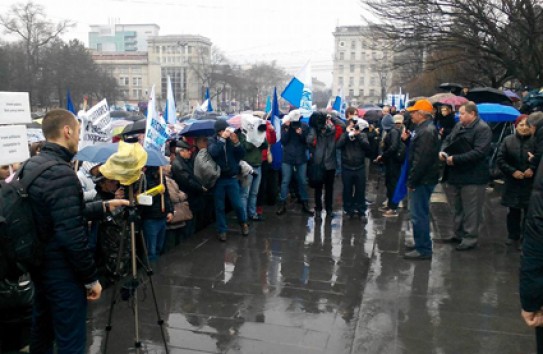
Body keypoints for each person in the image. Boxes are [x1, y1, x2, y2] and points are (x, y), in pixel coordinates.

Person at [23, 109, 128, 353]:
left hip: (40, 266)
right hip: (62, 272)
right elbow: (71, 234)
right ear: (67, 131)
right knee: (71, 340)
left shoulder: (32, 165)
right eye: (78, 132)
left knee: (42, 332)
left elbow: (63, 212)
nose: (79, 139)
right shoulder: (61, 173)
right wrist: (90, 278)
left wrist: (102, 207)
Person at [440, 101, 492, 251]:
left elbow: (479, 152)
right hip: (457, 173)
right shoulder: (459, 126)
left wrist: (455, 159)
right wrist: (443, 151)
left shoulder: (483, 129)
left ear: (472, 114)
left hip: (473, 176)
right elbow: (448, 140)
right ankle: (458, 234)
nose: (459, 116)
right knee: (458, 207)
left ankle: (470, 238)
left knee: (472, 209)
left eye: (462, 113)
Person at [403, 99, 440, 260]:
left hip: (422, 180)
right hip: (423, 178)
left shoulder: (426, 131)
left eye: (413, 112)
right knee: (418, 212)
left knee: (419, 214)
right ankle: (420, 242)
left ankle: (423, 249)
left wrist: (412, 181)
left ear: (421, 114)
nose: (411, 115)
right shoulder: (424, 129)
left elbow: (421, 160)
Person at [496, 114, 535, 248]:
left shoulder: (536, 141)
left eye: (527, 125)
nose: (524, 128)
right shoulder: (508, 140)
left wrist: (532, 169)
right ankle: (513, 235)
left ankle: (526, 238)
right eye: (521, 125)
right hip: (513, 182)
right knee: (513, 211)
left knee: (529, 212)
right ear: (516, 126)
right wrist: (512, 171)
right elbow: (500, 159)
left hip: (530, 183)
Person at [208, 120, 249, 241]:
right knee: (219, 206)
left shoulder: (231, 140)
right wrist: (222, 140)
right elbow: (214, 152)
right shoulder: (212, 140)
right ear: (219, 132)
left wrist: (236, 142)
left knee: (237, 204)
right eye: (223, 130)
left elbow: (242, 154)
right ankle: (222, 230)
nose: (226, 132)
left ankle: (243, 223)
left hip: (232, 177)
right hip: (219, 179)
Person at [307, 112, 345, 217]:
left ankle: (329, 209)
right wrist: (315, 129)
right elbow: (309, 140)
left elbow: (342, 125)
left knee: (329, 189)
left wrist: (331, 116)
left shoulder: (332, 132)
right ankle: (318, 208)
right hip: (318, 164)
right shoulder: (315, 132)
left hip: (330, 165)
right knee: (318, 189)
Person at [276, 110, 313, 216]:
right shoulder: (285, 126)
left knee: (302, 180)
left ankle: (305, 203)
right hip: (287, 157)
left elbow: (306, 141)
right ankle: (282, 204)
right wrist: (287, 129)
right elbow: (283, 141)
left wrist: (301, 133)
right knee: (285, 181)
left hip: (300, 157)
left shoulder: (304, 126)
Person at [337, 114, 371, 220]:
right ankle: (348, 210)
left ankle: (361, 210)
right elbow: (338, 145)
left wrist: (358, 134)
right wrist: (347, 134)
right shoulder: (345, 134)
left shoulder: (362, 135)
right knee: (347, 190)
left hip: (359, 167)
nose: (353, 127)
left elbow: (367, 146)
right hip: (347, 166)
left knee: (360, 190)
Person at [171, 139, 207, 238]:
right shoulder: (178, 164)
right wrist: (200, 188)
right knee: (190, 223)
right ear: (181, 151)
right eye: (187, 150)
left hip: (193, 196)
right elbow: (187, 181)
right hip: (189, 196)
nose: (189, 152)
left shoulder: (185, 161)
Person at [139, 166, 174, 261]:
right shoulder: (143, 178)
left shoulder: (162, 178)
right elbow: (142, 199)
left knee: (159, 247)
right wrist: (156, 191)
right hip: (150, 217)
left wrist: (170, 210)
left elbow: (166, 196)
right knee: (151, 251)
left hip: (162, 216)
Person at [239, 114, 268, 221]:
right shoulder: (242, 134)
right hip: (247, 166)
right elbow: (247, 147)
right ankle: (243, 217)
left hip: (258, 165)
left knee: (254, 193)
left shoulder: (259, 133)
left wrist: (260, 136)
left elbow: (265, 145)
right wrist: (252, 137)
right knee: (245, 193)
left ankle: (252, 213)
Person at [376, 112, 403, 217]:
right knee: (389, 184)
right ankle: (390, 205)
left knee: (393, 184)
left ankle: (393, 207)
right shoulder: (393, 131)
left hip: (393, 162)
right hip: (390, 162)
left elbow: (394, 147)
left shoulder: (393, 132)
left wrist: (383, 156)